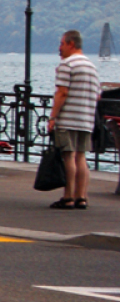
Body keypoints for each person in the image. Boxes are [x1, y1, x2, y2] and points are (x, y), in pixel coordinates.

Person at [47, 29, 101, 210]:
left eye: (62, 44)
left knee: (68, 155)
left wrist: (53, 117)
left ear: (71, 44)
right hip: (86, 119)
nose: (59, 48)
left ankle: (68, 197)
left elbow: (62, 92)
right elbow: (98, 95)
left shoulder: (67, 65)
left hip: (68, 118)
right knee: (81, 157)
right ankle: (82, 197)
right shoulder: (91, 66)